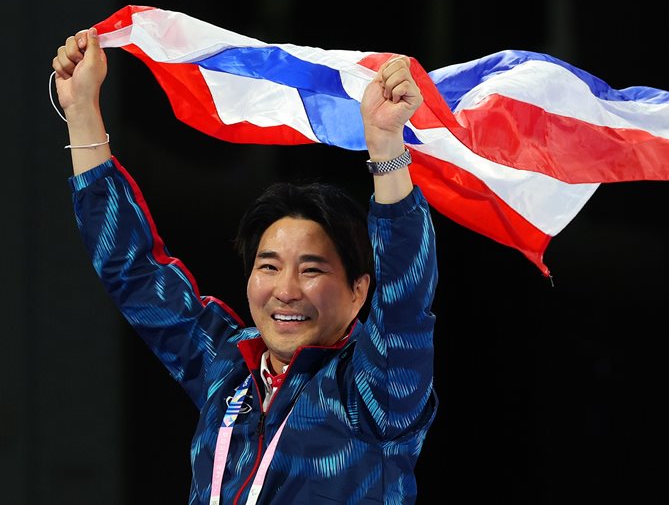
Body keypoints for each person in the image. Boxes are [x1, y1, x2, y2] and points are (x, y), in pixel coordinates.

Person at [52, 27, 439, 504]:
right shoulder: (228, 369)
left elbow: (405, 297)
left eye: (312, 270)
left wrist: (386, 148)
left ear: (359, 290)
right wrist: (82, 113)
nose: (286, 290)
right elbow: (134, 273)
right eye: (269, 267)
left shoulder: (374, 393)